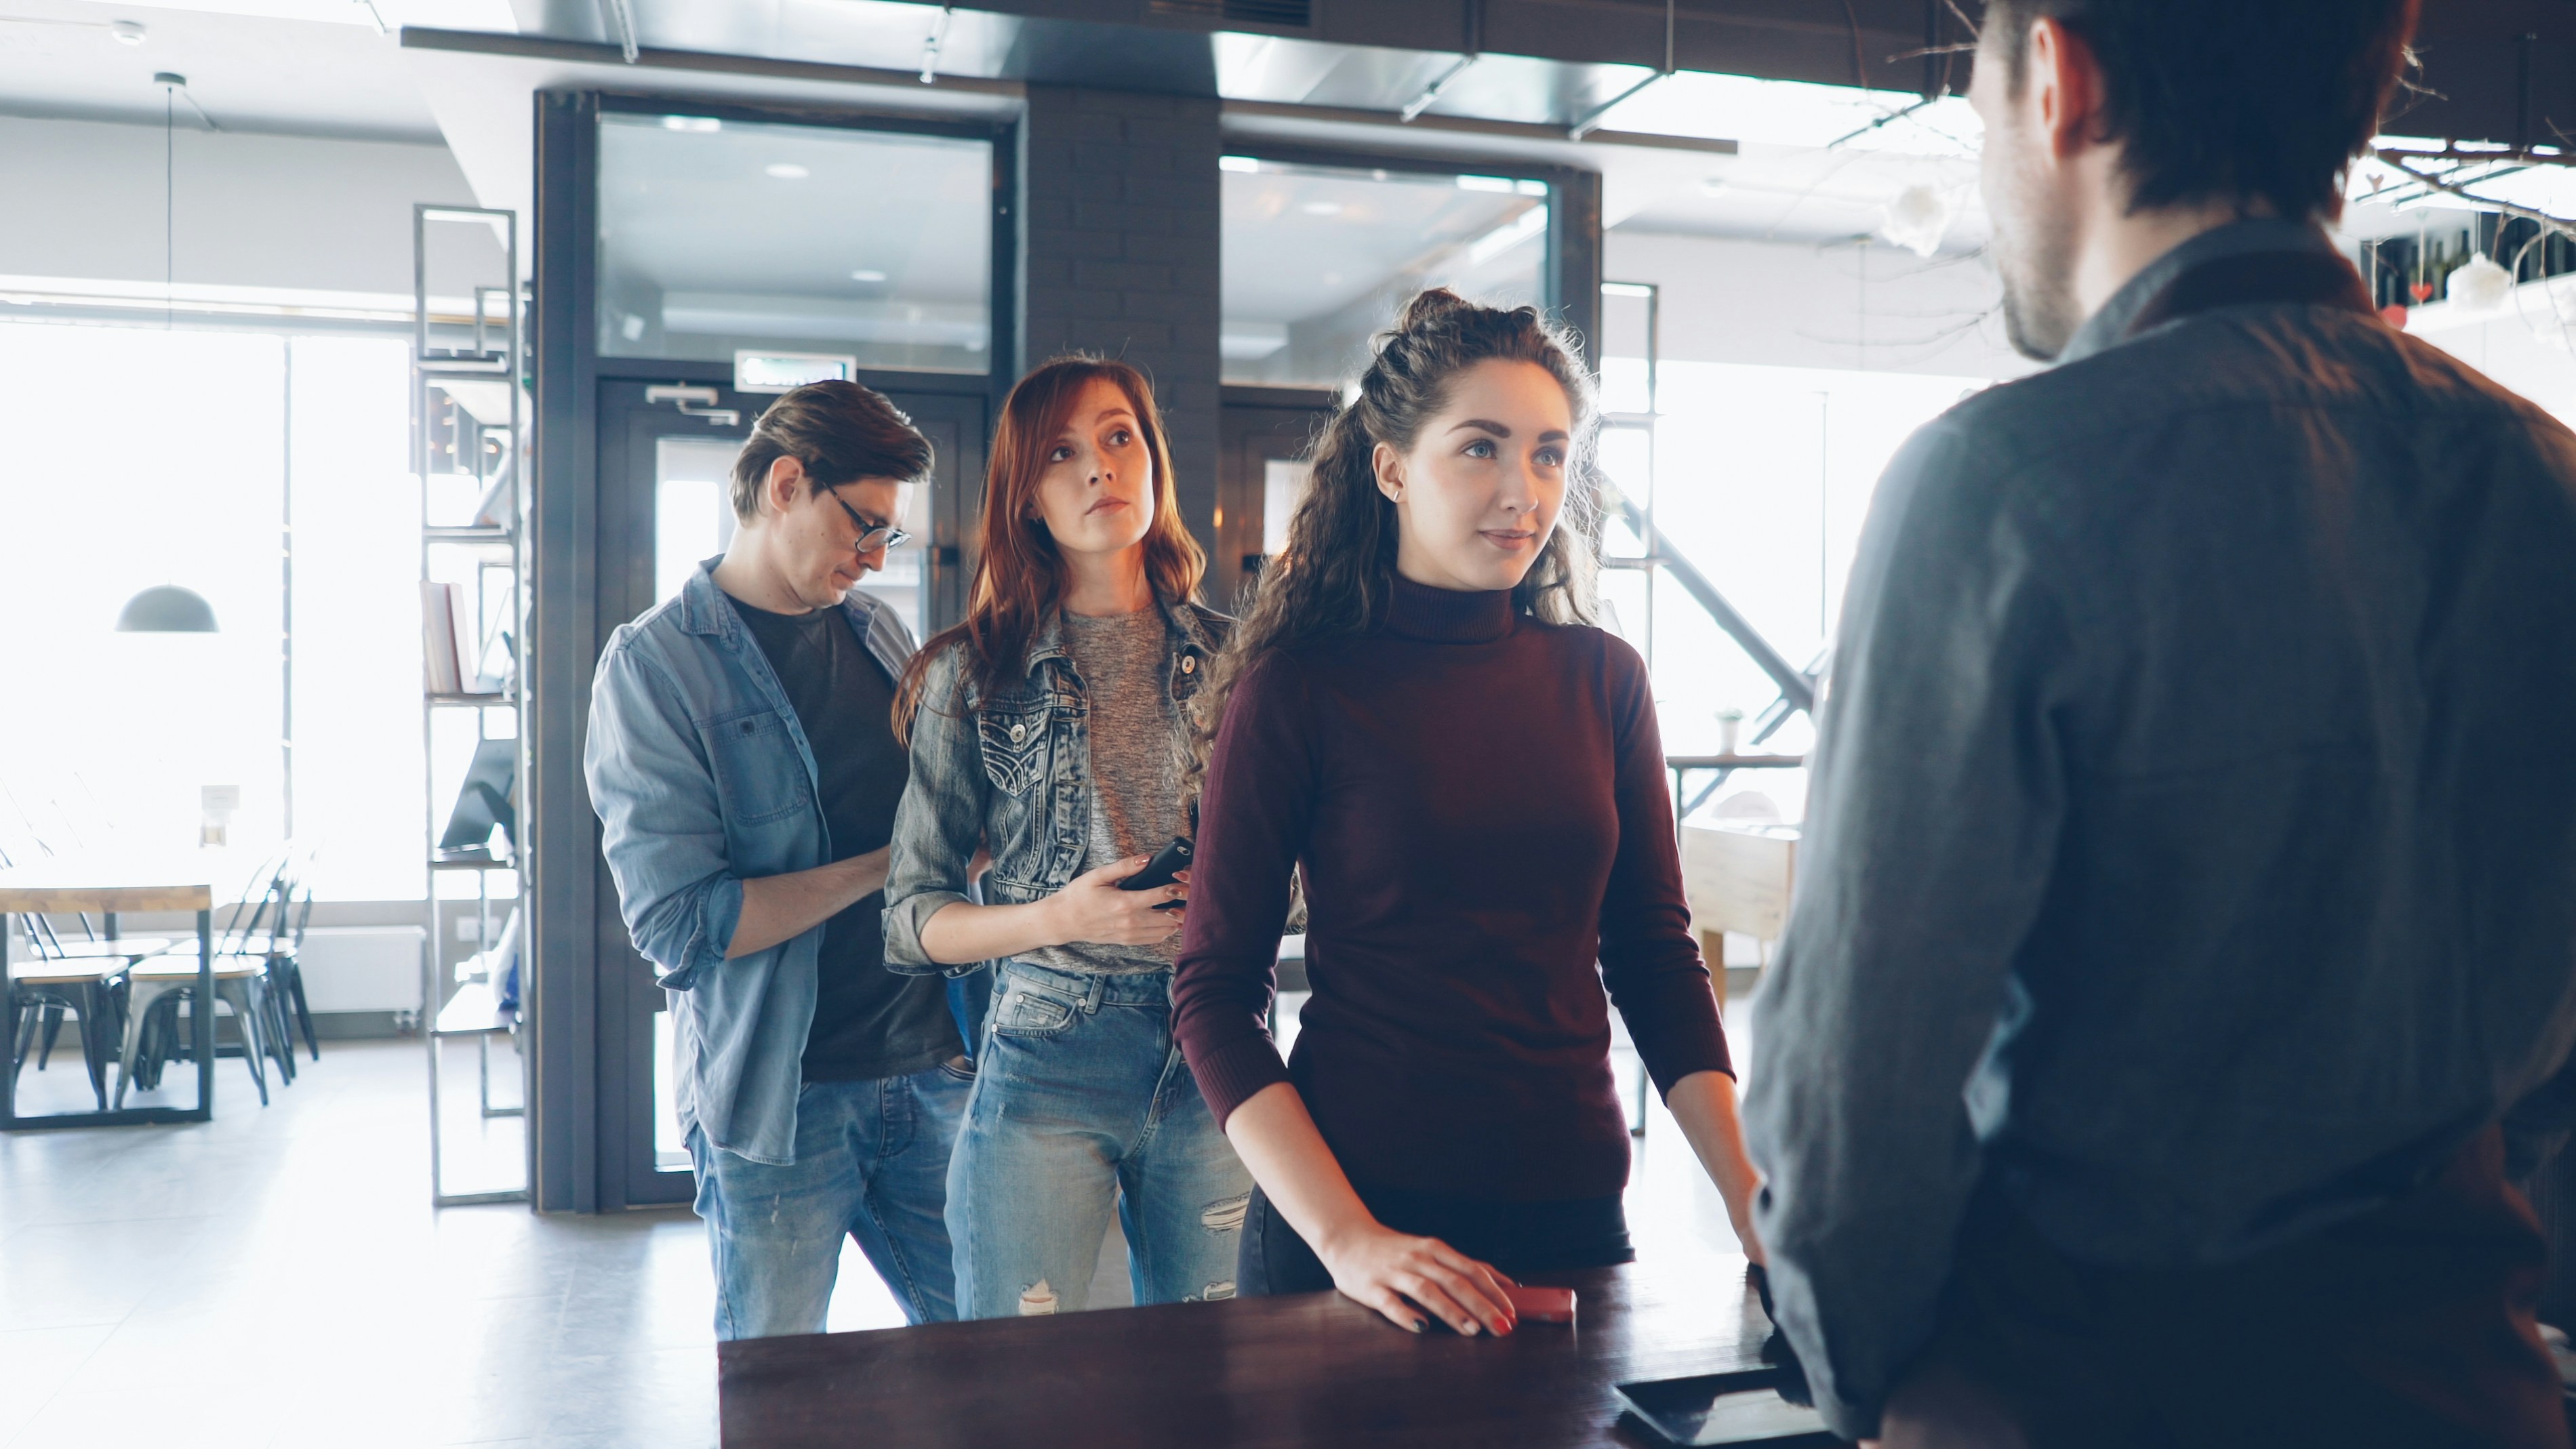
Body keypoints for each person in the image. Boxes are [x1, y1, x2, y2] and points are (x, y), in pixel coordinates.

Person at [1743, 1, 2576, 1444]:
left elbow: (1846, 1117)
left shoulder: (1995, 482)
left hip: (2082, 1390)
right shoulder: (2545, 482)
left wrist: (1865, 1378)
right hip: (2469, 1388)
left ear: (2058, 80)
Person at [1171, 290, 1766, 1339]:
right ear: (1392, 468)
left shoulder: (1606, 679)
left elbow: (1655, 955)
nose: (1522, 492)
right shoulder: (1300, 688)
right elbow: (1216, 995)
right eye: (1480, 448)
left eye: (1549, 455)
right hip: (1360, 1236)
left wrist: (1750, 1196)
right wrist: (1348, 1238)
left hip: (1574, 1218)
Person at [586, 381, 973, 1338]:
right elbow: (683, 928)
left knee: (999, 1367)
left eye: (891, 537)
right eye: (865, 526)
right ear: (787, 483)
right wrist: (897, 866)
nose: (876, 556)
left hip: (932, 1071)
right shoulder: (653, 666)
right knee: (777, 1397)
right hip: (782, 1102)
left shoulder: (876, 629)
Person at [882, 356, 1252, 1318]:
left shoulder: (1239, 660)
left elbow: (1297, 875)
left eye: (1120, 437)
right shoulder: (970, 676)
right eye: (1064, 452)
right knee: (1026, 1390)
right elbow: (912, 918)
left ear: (1155, 464)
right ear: (1027, 498)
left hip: (1219, 1046)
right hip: (1049, 1053)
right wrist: (1058, 914)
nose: (1100, 468)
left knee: (1223, 1383)